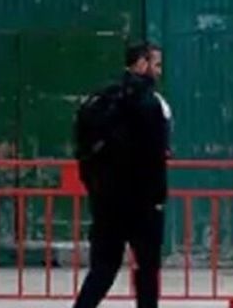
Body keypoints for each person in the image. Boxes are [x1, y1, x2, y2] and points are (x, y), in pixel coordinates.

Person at [72, 41, 171, 308]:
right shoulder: (152, 103)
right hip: (143, 204)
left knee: (103, 269)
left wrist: (96, 188)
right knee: (147, 271)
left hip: (106, 202)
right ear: (141, 63)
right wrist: (157, 197)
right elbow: (156, 155)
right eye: (156, 64)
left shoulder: (100, 99)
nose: (159, 71)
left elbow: (83, 150)